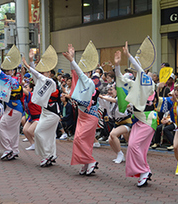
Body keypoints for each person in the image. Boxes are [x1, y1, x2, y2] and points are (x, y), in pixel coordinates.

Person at [115, 42, 157, 187]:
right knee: (137, 147)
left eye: (135, 71)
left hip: (148, 120)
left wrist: (129, 56)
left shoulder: (149, 83)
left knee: (134, 145)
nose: (133, 73)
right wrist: (117, 65)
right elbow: (120, 79)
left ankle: (144, 171)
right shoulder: (134, 84)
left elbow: (141, 72)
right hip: (138, 121)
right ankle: (144, 171)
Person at [63, 43, 100, 175]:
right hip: (82, 115)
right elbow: (75, 73)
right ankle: (85, 162)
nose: (82, 73)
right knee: (82, 140)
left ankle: (90, 161)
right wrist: (72, 59)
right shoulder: (81, 82)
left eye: (85, 72)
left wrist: (72, 60)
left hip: (90, 116)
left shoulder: (89, 82)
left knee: (80, 139)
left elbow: (78, 73)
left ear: (89, 73)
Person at [22, 47, 60, 167]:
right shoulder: (41, 81)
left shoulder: (52, 82)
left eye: (45, 72)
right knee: (49, 136)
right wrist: (31, 62)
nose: (42, 74)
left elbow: (39, 76)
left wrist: (29, 66)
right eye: (41, 72)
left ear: (50, 73)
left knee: (38, 132)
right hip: (45, 112)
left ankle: (47, 155)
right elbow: (36, 76)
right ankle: (51, 155)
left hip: (53, 113)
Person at [98, 83, 132, 164]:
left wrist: (103, 97)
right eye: (108, 90)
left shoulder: (123, 99)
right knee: (110, 140)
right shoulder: (107, 99)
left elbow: (116, 101)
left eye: (111, 90)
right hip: (116, 123)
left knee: (114, 135)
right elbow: (102, 102)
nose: (109, 92)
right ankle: (120, 154)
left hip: (126, 122)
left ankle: (122, 155)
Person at [22, 81, 41, 151]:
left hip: (38, 116)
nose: (25, 88)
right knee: (24, 130)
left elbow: (22, 89)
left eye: (26, 87)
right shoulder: (25, 96)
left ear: (31, 89)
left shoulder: (32, 95)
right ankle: (33, 144)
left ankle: (42, 142)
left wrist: (17, 84)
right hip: (31, 116)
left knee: (30, 131)